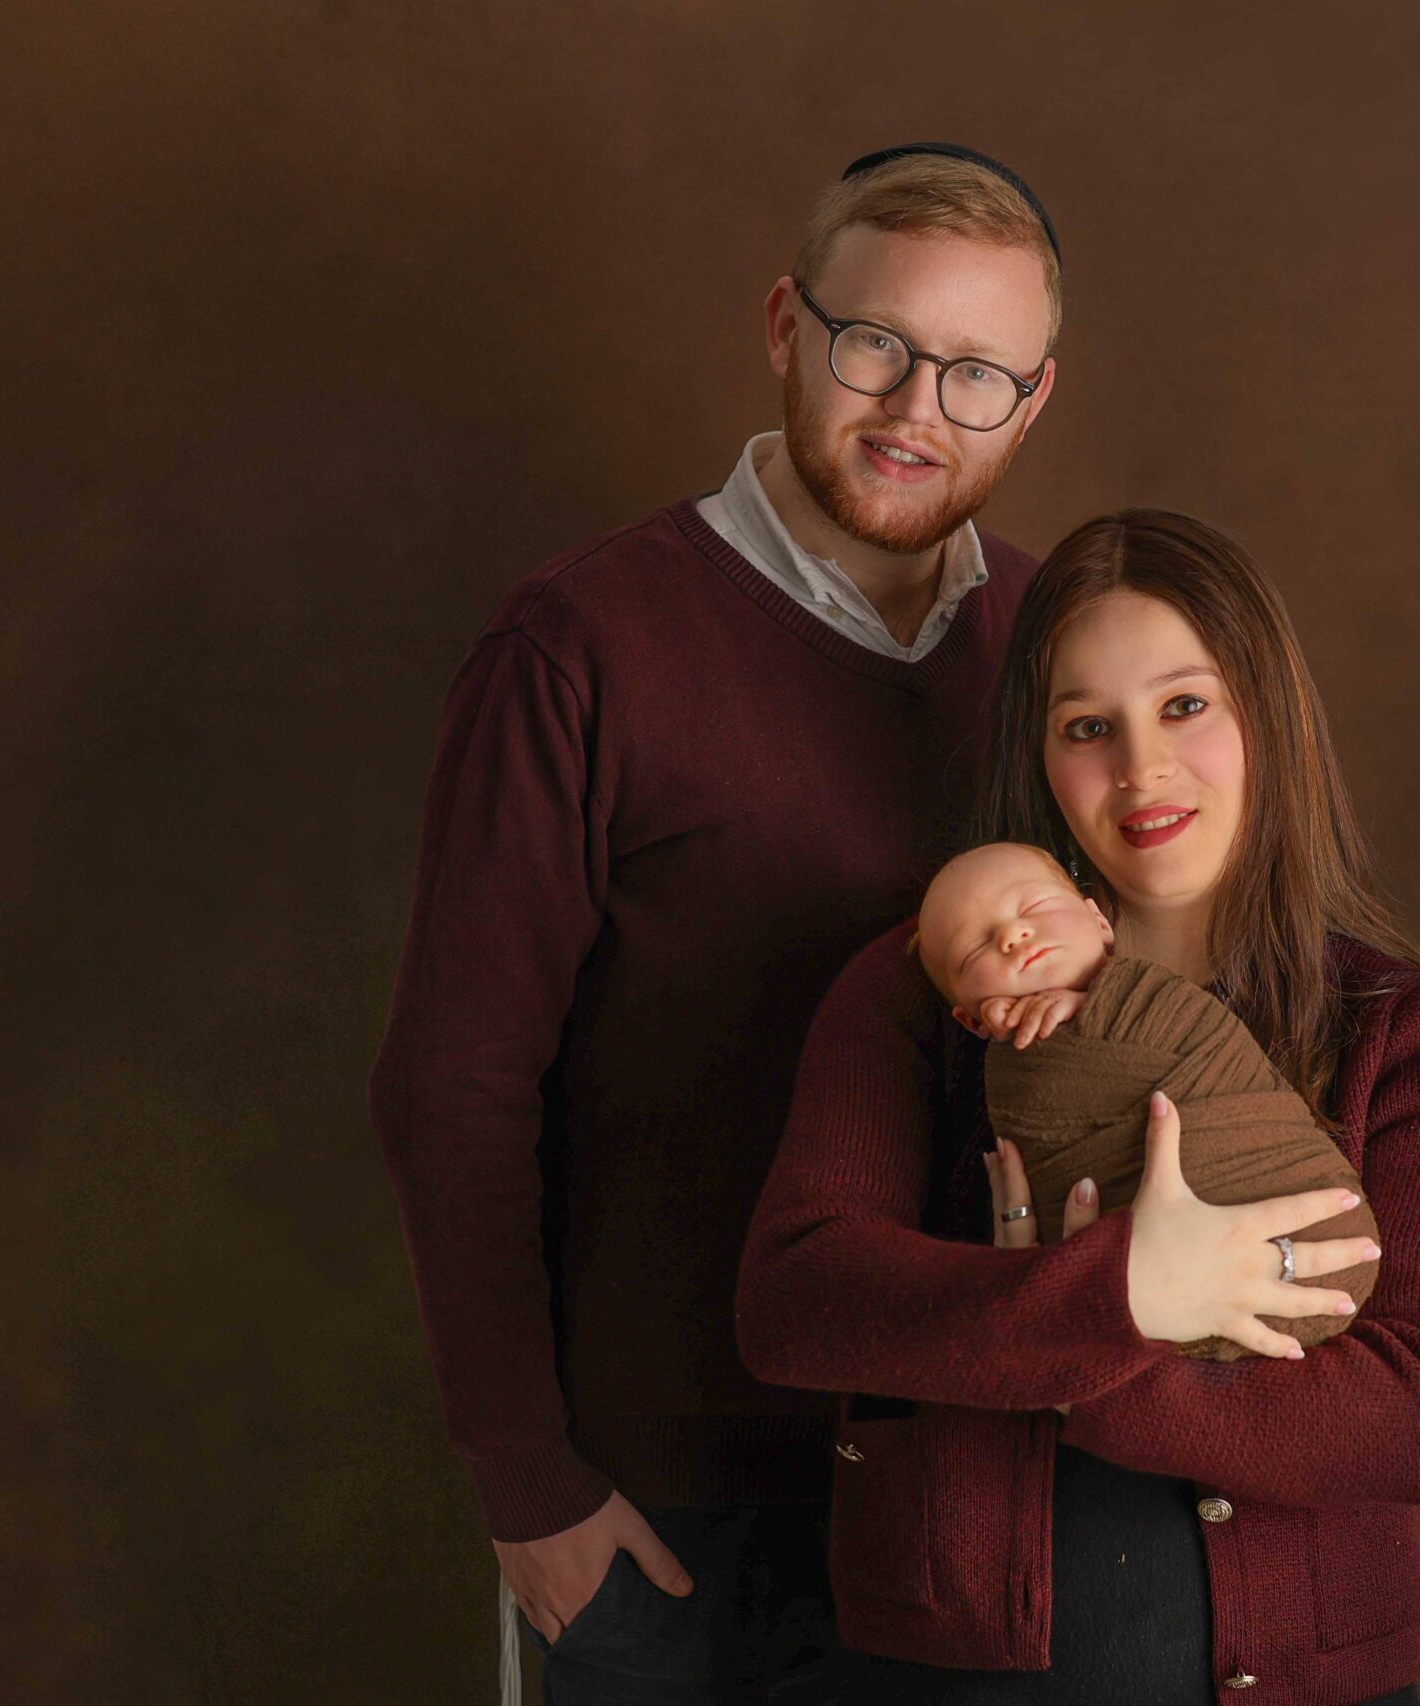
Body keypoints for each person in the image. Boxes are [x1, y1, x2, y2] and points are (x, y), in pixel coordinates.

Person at [367, 143, 1066, 1703]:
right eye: (874, 343)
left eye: (974, 373)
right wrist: (529, 1484)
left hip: (989, 1483)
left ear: (1032, 402)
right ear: (785, 328)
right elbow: (452, 1088)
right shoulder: (579, 646)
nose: (915, 409)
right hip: (671, 1517)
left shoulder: (1060, 651)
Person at [736, 510, 1420, 1704]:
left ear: (1267, 714)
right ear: (1041, 757)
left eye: (1184, 705)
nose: (1141, 767)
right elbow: (797, 1300)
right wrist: (1115, 1295)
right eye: (1087, 726)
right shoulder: (924, 994)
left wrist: (1084, 1359)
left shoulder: (1402, 1033)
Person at [911, 839, 1381, 1358]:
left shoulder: (1160, 1001)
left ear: (1100, 923)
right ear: (970, 1019)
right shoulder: (1005, 1078)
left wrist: (1105, 1004)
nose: (1011, 936)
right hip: (1118, 1311)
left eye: (1035, 906)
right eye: (974, 950)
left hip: (1316, 1232)